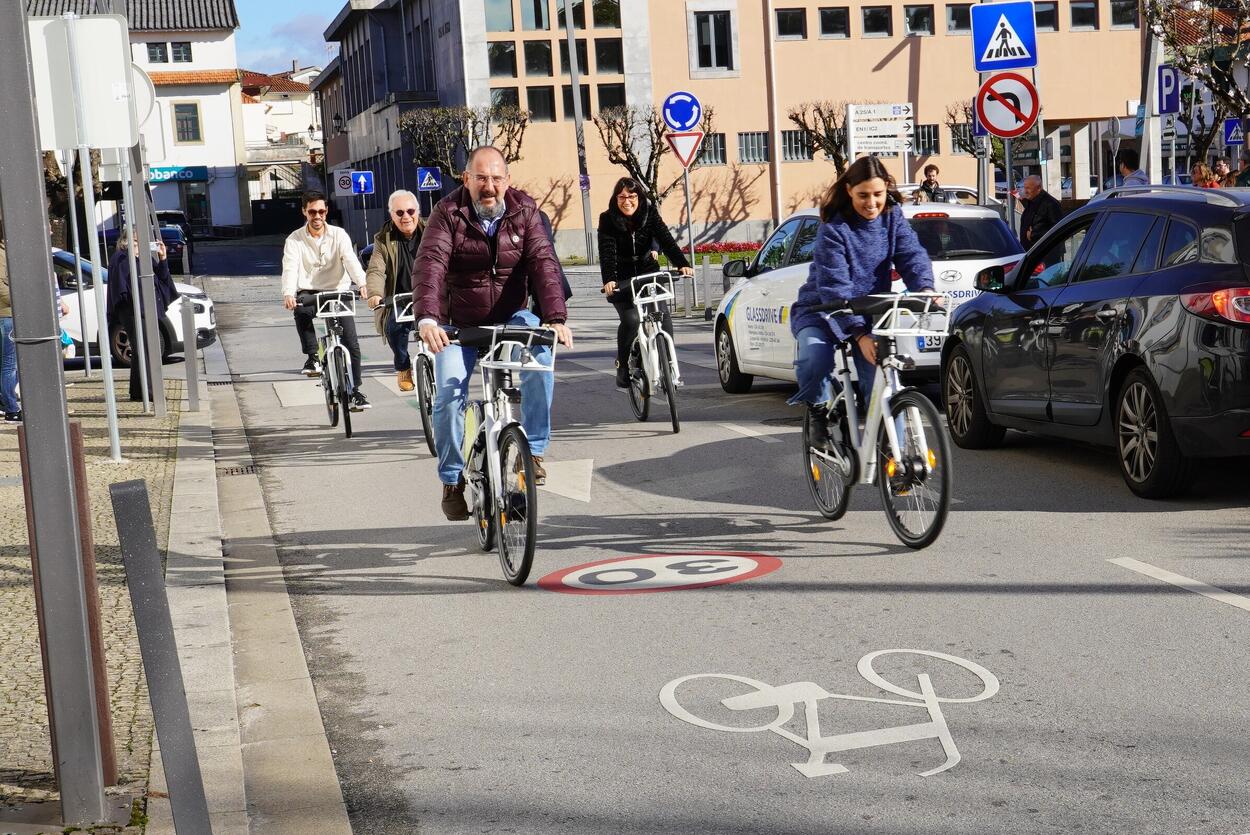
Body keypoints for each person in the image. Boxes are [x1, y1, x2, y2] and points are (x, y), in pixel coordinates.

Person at [414, 146, 572, 520]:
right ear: (466, 179)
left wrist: (555, 316)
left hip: (512, 319)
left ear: (508, 180)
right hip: (459, 326)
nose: (489, 187)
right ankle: (451, 480)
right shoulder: (447, 213)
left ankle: (532, 449)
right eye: (481, 178)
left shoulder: (525, 210)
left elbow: (543, 262)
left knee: (542, 355)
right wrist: (428, 320)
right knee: (449, 394)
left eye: (496, 178)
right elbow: (431, 264)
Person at [788, 156, 934, 429]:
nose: (871, 203)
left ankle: (895, 461)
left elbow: (911, 255)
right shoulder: (834, 228)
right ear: (849, 191)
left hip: (869, 311)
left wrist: (924, 288)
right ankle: (819, 411)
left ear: (887, 189)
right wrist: (858, 334)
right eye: (863, 195)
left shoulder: (893, 217)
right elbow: (834, 285)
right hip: (824, 310)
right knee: (813, 360)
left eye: (878, 194)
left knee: (883, 389)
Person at [596, 177, 693, 389]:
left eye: (632, 196)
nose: (627, 201)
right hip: (622, 277)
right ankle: (623, 366)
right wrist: (610, 279)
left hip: (648, 271)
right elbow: (607, 251)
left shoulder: (649, 214)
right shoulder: (607, 219)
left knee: (662, 315)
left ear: (639, 197)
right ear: (616, 198)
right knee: (631, 320)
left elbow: (666, 239)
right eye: (622, 197)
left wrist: (682, 264)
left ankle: (668, 363)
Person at [281, 191, 370, 410]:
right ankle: (312, 356)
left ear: (326, 211)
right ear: (304, 212)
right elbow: (290, 267)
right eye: (312, 211)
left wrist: (363, 283)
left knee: (351, 342)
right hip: (309, 292)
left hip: (337, 291)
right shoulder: (294, 239)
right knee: (301, 312)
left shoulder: (339, 235)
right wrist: (289, 293)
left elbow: (350, 259)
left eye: (321, 211)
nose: (317, 216)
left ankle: (356, 390)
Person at [106, 231, 180, 403]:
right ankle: (148, 391)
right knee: (144, 350)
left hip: (146, 308)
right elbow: (122, 289)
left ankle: (138, 391)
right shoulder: (121, 259)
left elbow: (162, 279)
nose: (142, 245)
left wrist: (163, 259)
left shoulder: (143, 260)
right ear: (127, 242)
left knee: (143, 350)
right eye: (138, 241)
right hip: (133, 311)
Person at [366, 189, 424, 392]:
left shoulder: (432, 232)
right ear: (391, 215)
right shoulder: (383, 239)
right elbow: (376, 269)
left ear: (417, 211)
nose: (406, 217)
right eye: (399, 213)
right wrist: (375, 293)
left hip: (429, 296)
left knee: (443, 331)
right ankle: (403, 366)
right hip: (399, 300)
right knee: (394, 329)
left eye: (410, 211)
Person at [1018, 175, 1063, 248]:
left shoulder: (1051, 204)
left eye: (1028, 188)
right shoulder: (1031, 202)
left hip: (1046, 253)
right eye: (1025, 188)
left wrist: (1033, 235)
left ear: (1038, 188)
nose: (1025, 191)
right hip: (1031, 251)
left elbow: (1057, 229)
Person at [0, 239, 16, 422]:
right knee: (10, 365)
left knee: (11, 364)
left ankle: (7, 400)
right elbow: (1, 288)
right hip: (7, 315)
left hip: (9, 314)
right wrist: (19, 300)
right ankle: (11, 408)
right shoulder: (2, 254)